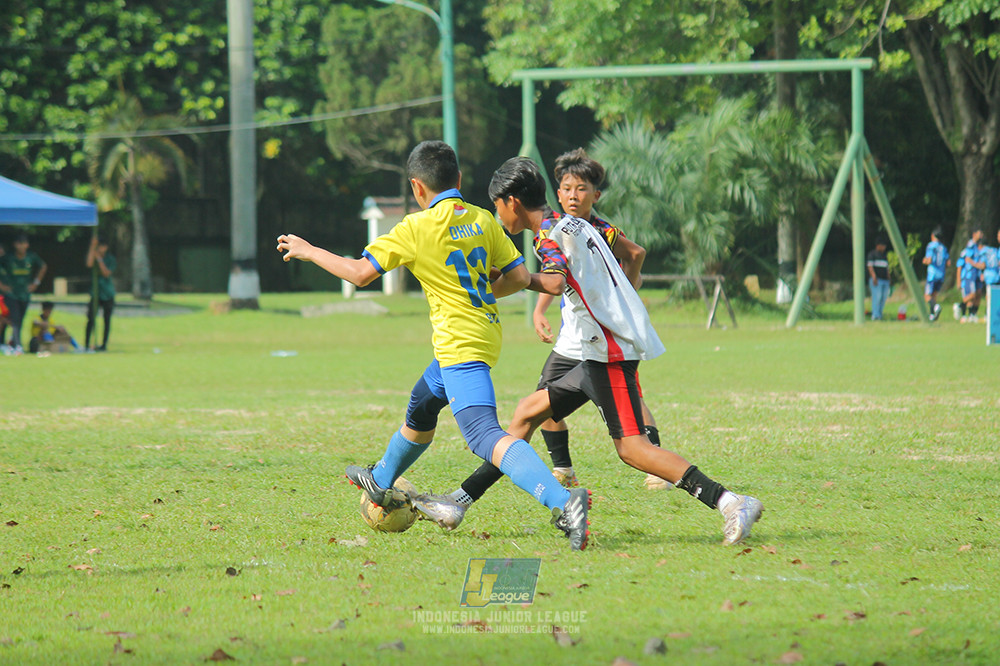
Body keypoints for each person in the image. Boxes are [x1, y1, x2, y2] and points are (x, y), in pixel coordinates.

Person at [416, 157, 762, 546]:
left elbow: (552, 280)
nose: (498, 216)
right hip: (593, 345)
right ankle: (458, 502)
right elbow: (631, 254)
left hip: (606, 349)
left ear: (511, 202)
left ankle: (731, 501)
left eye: (497, 206)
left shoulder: (549, 233)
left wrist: (512, 280)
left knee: (633, 448)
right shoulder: (577, 223)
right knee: (527, 413)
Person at [276, 141, 592, 550]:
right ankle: (382, 478)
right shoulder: (482, 219)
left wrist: (309, 250)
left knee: (483, 435)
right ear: (458, 180)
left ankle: (564, 502)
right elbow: (516, 279)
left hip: (460, 344)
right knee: (422, 406)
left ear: (416, 188)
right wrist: (477, 292)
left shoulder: (414, 228)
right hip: (480, 334)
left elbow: (357, 274)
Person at [0, 233, 47, 352]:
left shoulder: (31, 257)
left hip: (25, 294)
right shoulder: (8, 258)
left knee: (20, 319)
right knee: (15, 319)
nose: (22, 246)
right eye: (19, 244)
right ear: (15, 245)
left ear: (27, 245)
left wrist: (36, 283)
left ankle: (14, 342)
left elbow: (43, 266)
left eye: (24, 244)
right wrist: (2, 285)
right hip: (11, 294)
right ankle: (18, 345)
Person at [85, 235, 117, 351]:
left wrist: (99, 260)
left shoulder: (110, 259)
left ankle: (104, 344)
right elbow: (88, 264)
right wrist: (92, 247)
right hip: (95, 293)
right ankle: (87, 343)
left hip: (107, 293)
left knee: (106, 320)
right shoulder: (94, 256)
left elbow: (106, 273)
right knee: (91, 318)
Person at [955, 229, 984, 322]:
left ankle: (971, 314)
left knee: (977, 295)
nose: (981, 235)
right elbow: (960, 264)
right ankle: (959, 306)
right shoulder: (969, 248)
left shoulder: (977, 248)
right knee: (972, 294)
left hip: (976, 276)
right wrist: (958, 280)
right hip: (969, 276)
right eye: (979, 233)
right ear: (974, 234)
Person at [922, 227, 950, 321]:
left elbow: (929, 260)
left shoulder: (931, 246)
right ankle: (932, 315)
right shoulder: (943, 247)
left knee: (927, 295)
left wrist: (925, 261)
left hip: (932, 274)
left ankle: (935, 307)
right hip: (941, 274)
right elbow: (948, 263)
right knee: (934, 295)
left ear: (932, 236)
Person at [866, 236, 890, 321]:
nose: (884, 247)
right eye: (883, 245)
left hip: (885, 280)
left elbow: (887, 268)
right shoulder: (872, 254)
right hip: (877, 280)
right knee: (877, 297)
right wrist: (874, 277)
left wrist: (889, 278)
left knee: (883, 298)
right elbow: (870, 267)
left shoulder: (884, 256)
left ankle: (879, 314)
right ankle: (875, 315)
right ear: (878, 245)